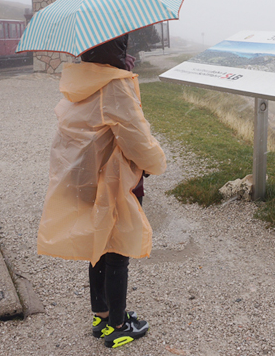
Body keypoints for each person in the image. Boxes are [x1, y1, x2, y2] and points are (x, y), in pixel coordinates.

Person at [37, 33, 166, 349]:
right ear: (117, 48)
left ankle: (101, 314)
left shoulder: (79, 80)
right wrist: (155, 162)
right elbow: (135, 137)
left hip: (82, 177)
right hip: (113, 178)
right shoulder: (115, 84)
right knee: (117, 247)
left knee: (97, 243)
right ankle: (118, 327)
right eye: (124, 43)